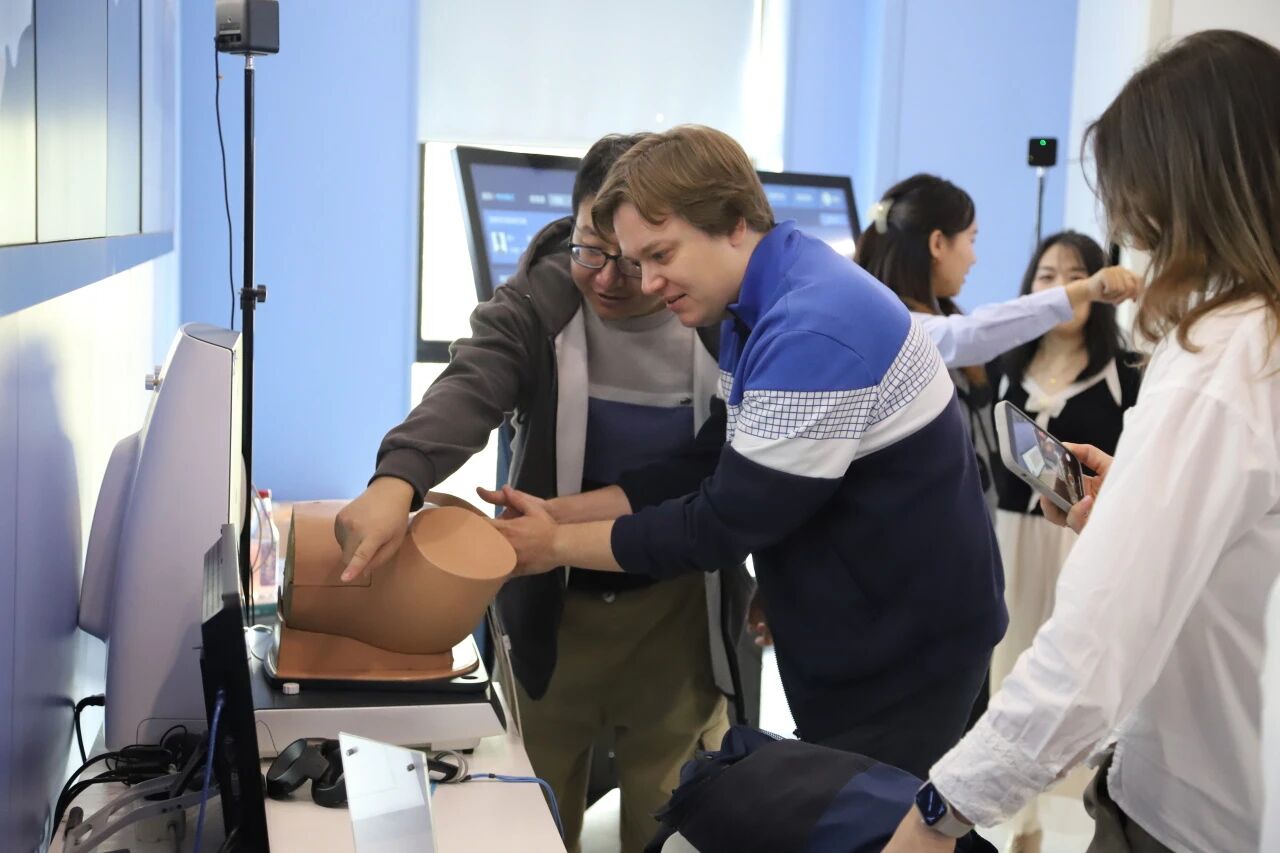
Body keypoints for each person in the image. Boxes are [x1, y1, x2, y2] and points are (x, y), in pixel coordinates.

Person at [485, 124, 1006, 780]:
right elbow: (713, 459)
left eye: (660, 254)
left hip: (906, 650)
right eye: (637, 260)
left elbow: (719, 524)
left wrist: (554, 546)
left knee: (879, 819)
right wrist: (559, 513)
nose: (648, 283)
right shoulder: (759, 298)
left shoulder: (812, 326)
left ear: (734, 222)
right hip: (860, 624)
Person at [885, 29, 1280, 853]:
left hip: (1185, 811)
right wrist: (1136, 501)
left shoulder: (1219, 362)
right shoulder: (1253, 343)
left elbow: (1092, 651)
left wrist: (939, 809)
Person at [333, 133, 753, 853]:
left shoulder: (718, 318)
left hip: (678, 609)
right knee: (530, 816)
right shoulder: (539, 302)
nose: (610, 279)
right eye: (592, 249)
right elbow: (472, 383)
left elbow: (723, 467)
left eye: (636, 261)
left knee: (672, 817)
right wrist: (397, 479)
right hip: (554, 612)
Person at [855, 176, 1139, 510]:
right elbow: (973, 333)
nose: (974, 257)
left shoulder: (1125, 372)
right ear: (938, 244)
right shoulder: (898, 327)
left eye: (1075, 276)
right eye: (971, 239)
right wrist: (1085, 289)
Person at [992, 232, 1143, 853]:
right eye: (1046, 276)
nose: (1060, 288)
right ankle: (1018, 825)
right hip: (1008, 542)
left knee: (1075, 678)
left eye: (1075, 274)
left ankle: (1070, 822)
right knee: (1009, 676)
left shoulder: (1127, 373)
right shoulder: (1001, 365)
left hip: (1083, 544)